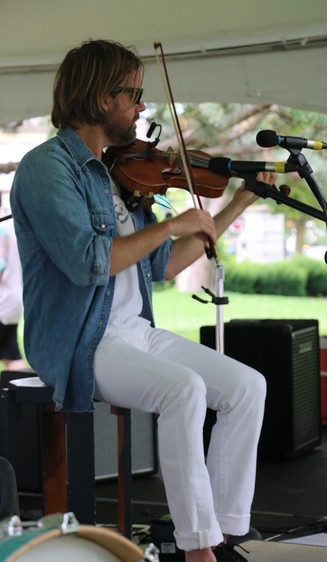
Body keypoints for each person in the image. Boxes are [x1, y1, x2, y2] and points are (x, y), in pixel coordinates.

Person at [10, 40, 277, 562]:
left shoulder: (117, 174)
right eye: (135, 95)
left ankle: (221, 533)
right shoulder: (47, 168)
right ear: (102, 97)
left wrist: (234, 206)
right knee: (185, 390)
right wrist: (171, 224)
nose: (141, 107)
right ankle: (198, 549)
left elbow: (163, 266)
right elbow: (89, 262)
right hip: (82, 339)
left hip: (134, 331)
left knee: (248, 386)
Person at [0, 215, 25, 371]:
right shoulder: (14, 228)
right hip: (13, 302)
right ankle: (20, 393)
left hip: (2, 302)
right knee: (11, 355)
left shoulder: (2, 230)